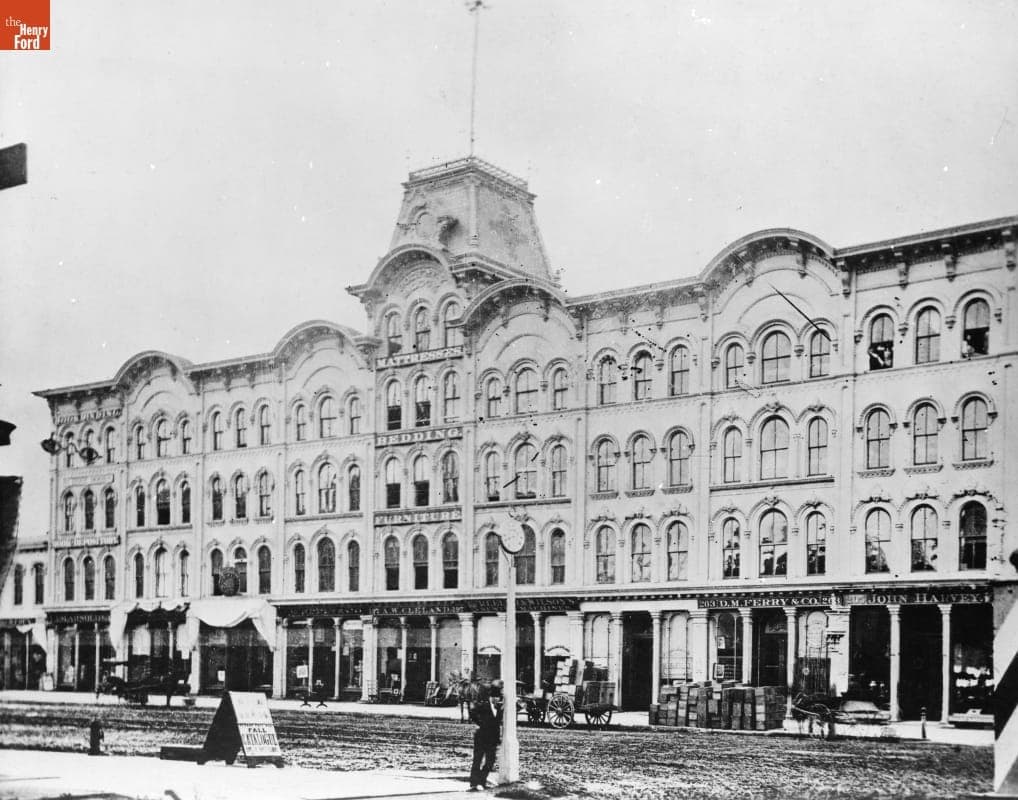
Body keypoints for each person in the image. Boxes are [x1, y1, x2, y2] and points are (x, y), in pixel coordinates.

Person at [468, 679, 504, 791]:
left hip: (492, 738)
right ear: (491, 697)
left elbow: (497, 722)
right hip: (481, 736)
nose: (496, 699)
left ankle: (482, 780)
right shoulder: (483, 705)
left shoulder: (498, 708)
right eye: (495, 697)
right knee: (477, 760)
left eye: (498, 697)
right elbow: (472, 712)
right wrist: (480, 723)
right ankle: (474, 783)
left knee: (490, 761)